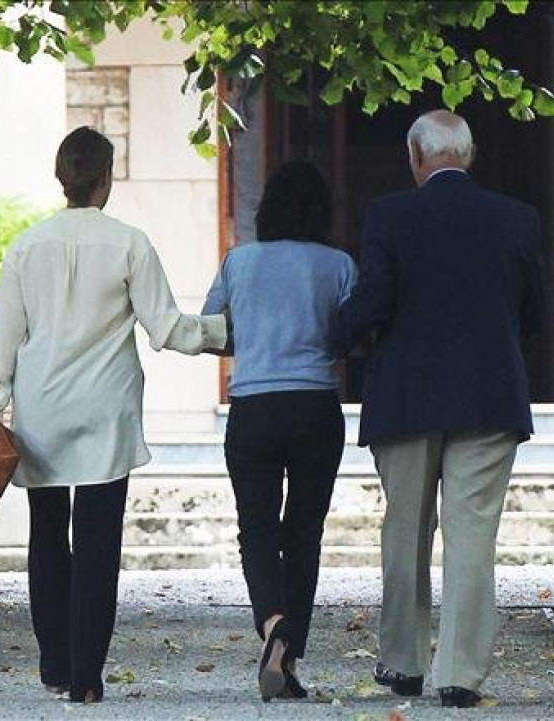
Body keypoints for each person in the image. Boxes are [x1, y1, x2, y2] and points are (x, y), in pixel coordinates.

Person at [0, 127, 228, 704]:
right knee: (96, 545)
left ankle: (54, 664)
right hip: (106, 414)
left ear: (61, 177)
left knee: (46, 538)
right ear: (106, 177)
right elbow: (167, 329)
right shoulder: (129, 243)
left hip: (41, 411)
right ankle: (87, 676)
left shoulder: (26, 247)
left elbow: (3, 342)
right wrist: (225, 332)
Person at [332, 110, 544, 708]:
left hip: (407, 396)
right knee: (472, 536)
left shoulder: (389, 216)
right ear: (468, 156)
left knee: (405, 531)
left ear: (416, 158)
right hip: (489, 393)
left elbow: (372, 303)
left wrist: (335, 340)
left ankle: (402, 663)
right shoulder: (516, 219)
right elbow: (533, 315)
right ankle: (459, 675)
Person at [202, 160, 357, 702]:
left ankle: (272, 625)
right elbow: (347, 337)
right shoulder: (338, 264)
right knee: (305, 532)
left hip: (253, 406)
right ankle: (289, 656)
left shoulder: (239, 261)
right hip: (315, 404)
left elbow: (213, 330)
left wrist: (256, 339)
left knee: (258, 527)